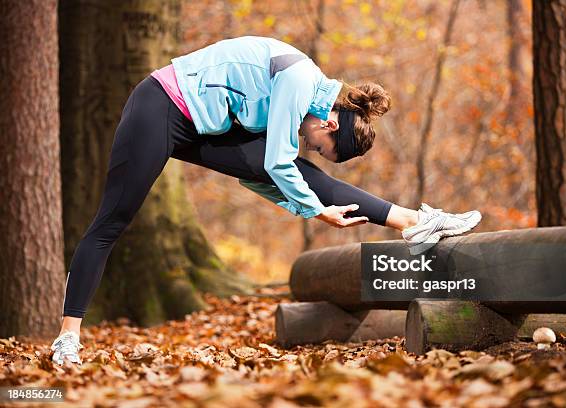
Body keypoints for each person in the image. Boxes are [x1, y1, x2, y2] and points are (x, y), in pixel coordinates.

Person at [50, 36, 481, 365]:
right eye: (320, 146)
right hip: (160, 105)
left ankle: (414, 221)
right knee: (112, 220)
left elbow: (257, 176)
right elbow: (277, 162)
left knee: (305, 176)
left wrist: (303, 205)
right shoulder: (298, 79)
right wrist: (315, 211)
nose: (309, 145)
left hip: (203, 127)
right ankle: (68, 336)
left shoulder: (303, 96)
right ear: (330, 122)